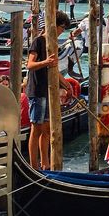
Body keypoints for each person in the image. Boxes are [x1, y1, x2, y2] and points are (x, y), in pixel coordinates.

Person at [25, 9, 71, 170]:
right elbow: (29, 65)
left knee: (46, 129)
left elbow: (55, 68)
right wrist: (46, 62)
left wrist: (66, 84)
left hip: (47, 91)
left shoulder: (53, 45)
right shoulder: (38, 41)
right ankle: (33, 165)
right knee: (36, 128)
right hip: (36, 91)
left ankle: (45, 163)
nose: (62, 31)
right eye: (62, 28)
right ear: (54, 26)